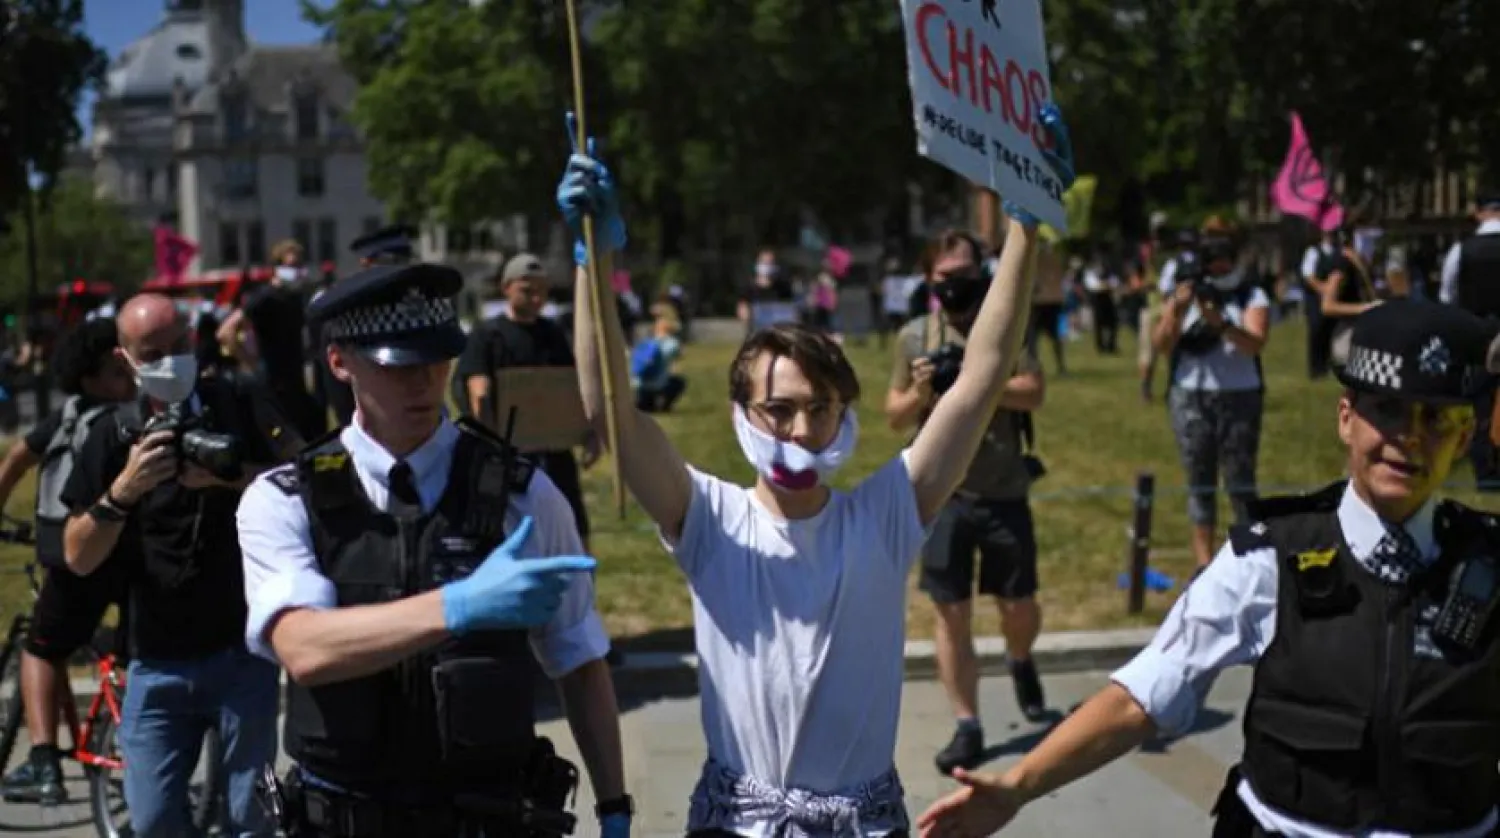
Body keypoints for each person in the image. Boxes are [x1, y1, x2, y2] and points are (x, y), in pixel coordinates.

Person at [561, 105, 1074, 836]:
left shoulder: (886, 514)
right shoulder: (708, 520)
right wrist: (592, 261)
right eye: (779, 409)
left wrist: (1023, 226)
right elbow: (607, 406)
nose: (801, 432)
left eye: (821, 409)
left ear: (845, 415)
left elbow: (982, 377)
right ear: (742, 413)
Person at [917, 297, 1500, 838]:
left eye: (1436, 419)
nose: (1409, 438)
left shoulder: (1490, 565)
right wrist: (1018, 786)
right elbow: (1145, 695)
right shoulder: (1270, 559)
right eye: (1388, 411)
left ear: (1465, 437)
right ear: (1346, 418)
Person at [237, 261, 631, 838]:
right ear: (340, 362)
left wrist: (615, 807)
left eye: (437, 358)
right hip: (344, 818)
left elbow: (579, 659)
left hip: (488, 818)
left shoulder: (523, 496)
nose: (422, 381)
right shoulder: (285, 499)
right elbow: (303, 647)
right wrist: (459, 605)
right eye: (396, 364)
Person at [61, 293, 301, 838]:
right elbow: (77, 554)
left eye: (179, 345)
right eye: (153, 354)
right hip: (156, 659)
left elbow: (307, 481)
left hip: (242, 650)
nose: (171, 362)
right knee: (151, 821)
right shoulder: (112, 433)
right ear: (125, 359)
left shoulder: (238, 402)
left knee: (250, 817)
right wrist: (124, 490)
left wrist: (229, 477)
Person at [885, 229, 1050, 774]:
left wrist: (977, 379)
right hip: (942, 495)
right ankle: (967, 722)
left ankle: (1020, 657)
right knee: (950, 611)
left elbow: (1034, 391)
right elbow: (893, 415)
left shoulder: (1005, 326)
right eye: (945, 277)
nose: (956, 285)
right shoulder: (914, 336)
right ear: (928, 279)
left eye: (966, 275)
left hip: (1003, 487)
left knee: (1018, 605)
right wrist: (923, 392)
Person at [0, 318, 135, 804]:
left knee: (40, 649)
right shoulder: (132, 415)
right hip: (126, 555)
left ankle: (42, 764)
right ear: (89, 377)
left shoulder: (70, 418)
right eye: (116, 371)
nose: (127, 378)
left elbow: (16, 459)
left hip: (75, 556)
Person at [456, 252, 600, 548]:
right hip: (507, 456)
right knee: (509, 533)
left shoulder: (553, 335)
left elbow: (572, 386)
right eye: (527, 290)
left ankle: (578, 575)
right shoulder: (487, 336)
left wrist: (589, 432)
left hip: (554, 452)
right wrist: (491, 446)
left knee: (571, 527)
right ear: (506, 288)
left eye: (542, 290)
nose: (536, 298)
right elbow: (477, 390)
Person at [1152, 219, 1272, 568]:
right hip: (1190, 395)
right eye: (1211, 254)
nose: (1218, 262)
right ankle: (1204, 564)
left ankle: (1249, 560)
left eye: (1224, 254)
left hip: (1240, 394)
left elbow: (1255, 343)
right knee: (1199, 481)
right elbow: (1162, 345)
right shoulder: (1185, 289)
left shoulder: (1250, 292)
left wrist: (1221, 323)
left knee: (1240, 481)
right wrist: (1176, 310)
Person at [218, 239, 326, 440]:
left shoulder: (296, 296)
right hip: (274, 384)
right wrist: (250, 364)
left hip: (296, 382)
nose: (297, 271)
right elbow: (226, 332)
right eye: (292, 265)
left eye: (300, 265)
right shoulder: (265, 297)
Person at [1438, 192, 1500, 492]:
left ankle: (1486, 473)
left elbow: (1447, 296)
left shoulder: (1462, 250)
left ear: (1478, 213)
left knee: (1479, 404)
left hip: (1478, 335)